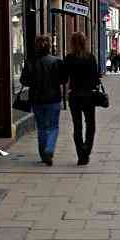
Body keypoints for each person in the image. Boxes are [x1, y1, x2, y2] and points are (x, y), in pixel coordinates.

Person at [21, 35, 66, 166]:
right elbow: (64, 80)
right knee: (53, 127)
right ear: (50, 46)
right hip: (53, 99)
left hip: (37, 100)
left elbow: (23, 80)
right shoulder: (57, 61)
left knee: (41, 127)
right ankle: (49, 149)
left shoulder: (30, 62)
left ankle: (43, 154)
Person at [64, 32, 100, 166]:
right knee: (91, 125)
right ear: (85, 42)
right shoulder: (90, 58)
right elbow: (96, 79)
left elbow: (63, 77)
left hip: (74, 96)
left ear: (72, 43)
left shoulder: (69, 58)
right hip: (89, 96)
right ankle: (86, 151)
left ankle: (81, 155)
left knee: (77, 126)